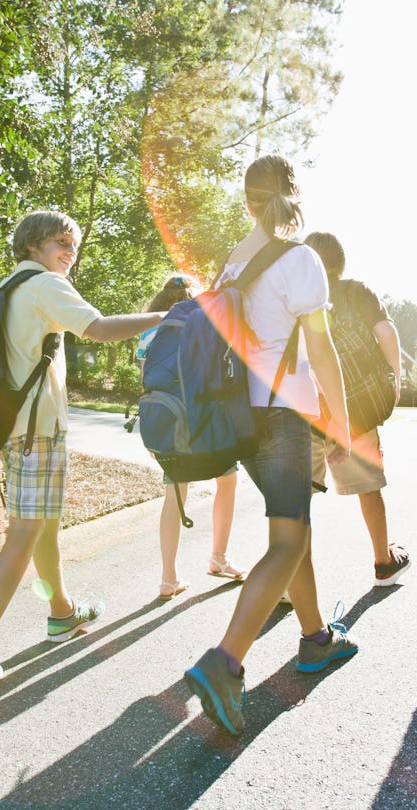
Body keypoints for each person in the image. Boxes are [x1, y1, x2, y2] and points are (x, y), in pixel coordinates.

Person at [0, 210, 168, 686]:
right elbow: (100, 328)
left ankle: (62, 612)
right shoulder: (45, 286)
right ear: (32, 245)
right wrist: (168, 316)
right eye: (60, 242)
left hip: (17, 429)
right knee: (25, 534)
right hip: (37, 432)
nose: (70, 251)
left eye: (74, 244)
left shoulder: (9, 288)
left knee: (43, 530)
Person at [183, 155, 358, 736]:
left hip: (239, 421)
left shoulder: (231, 264)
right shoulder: (300, 258)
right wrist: (344, 422)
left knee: (292, 529)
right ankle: (224, 660)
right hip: (284, 418)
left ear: (246, 200)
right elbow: (322, 349)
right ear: (292, 194)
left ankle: (315, 639)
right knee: (287, 540)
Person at [304, 232, 410, 587]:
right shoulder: (356, 291)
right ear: (339, 259)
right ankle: (383, 561)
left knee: (296, 496)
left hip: (307, 410)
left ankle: (289, 578)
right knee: (369, 487)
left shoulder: (299, 299)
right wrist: (393, 378)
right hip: (356, 406)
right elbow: (387, 332)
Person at [136, 274, 246, 600]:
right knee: (227, 481)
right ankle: (219, 558)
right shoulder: (199, 323)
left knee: (175, 494)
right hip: (202, 423)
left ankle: (168, 578)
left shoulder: (150, 331)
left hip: (165, 422)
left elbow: (145, 379)